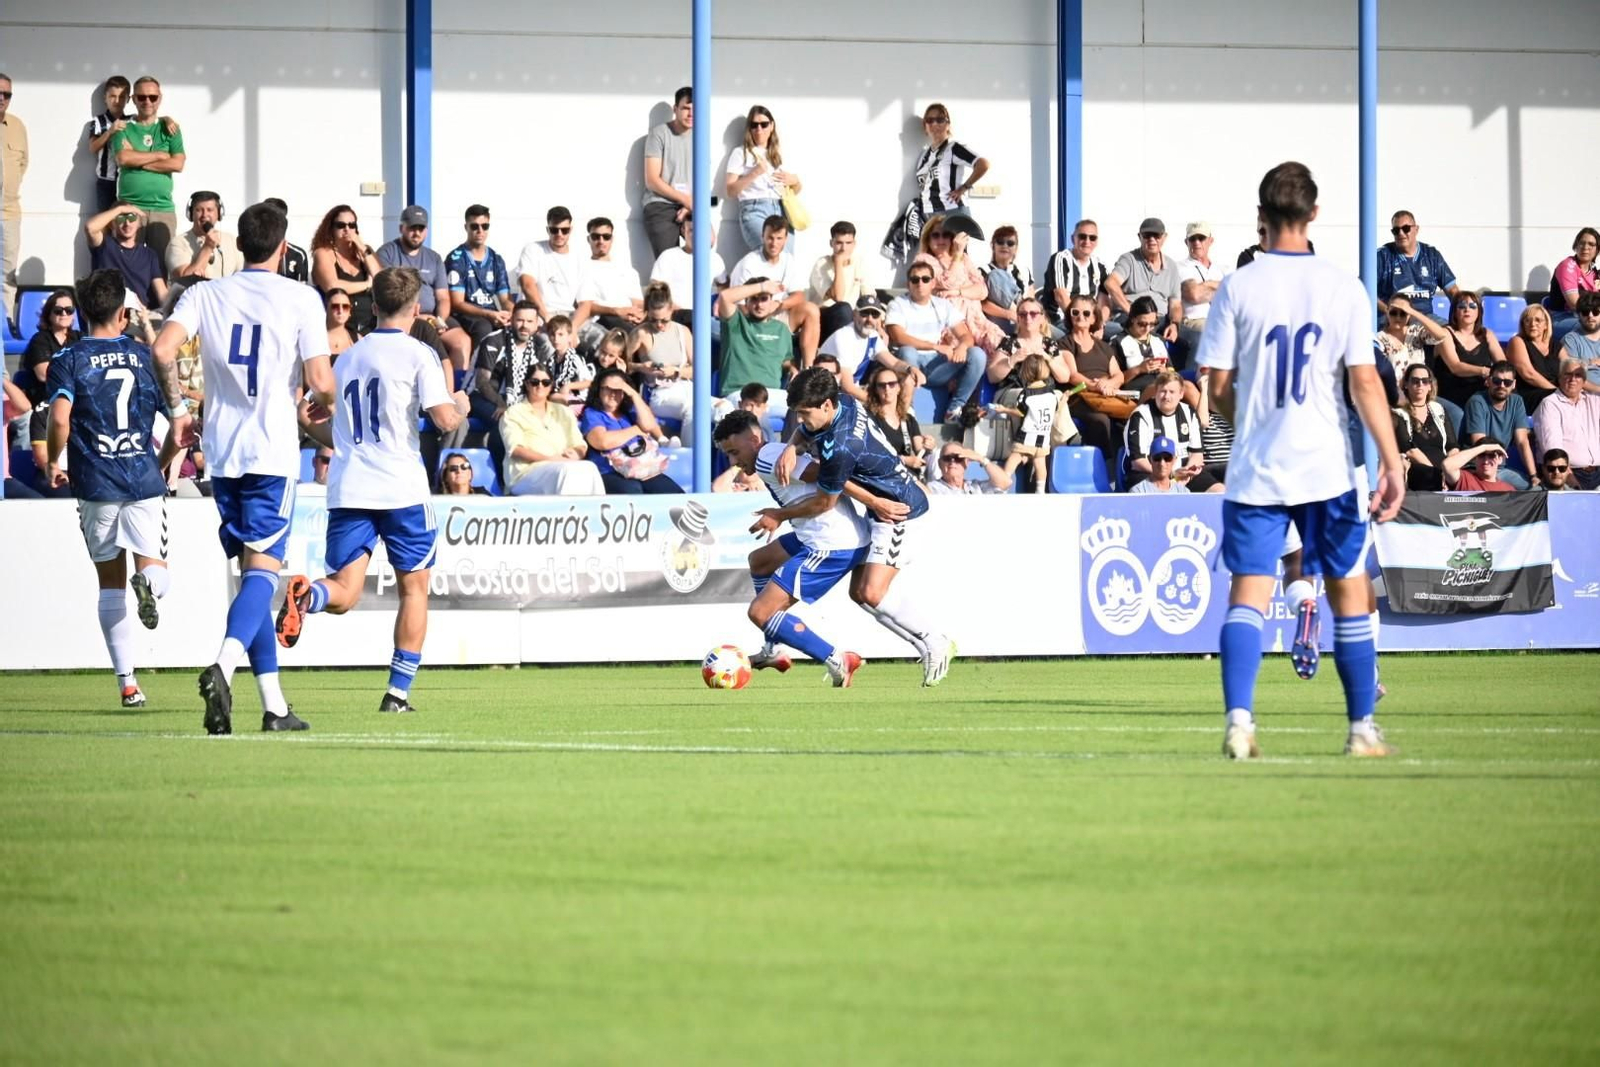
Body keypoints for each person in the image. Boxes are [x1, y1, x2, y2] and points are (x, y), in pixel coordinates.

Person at [1197, 160, 1405, 760]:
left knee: (1249, 593)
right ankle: (1361, 729)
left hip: (1257, 466)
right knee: (1348, 589)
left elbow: (1216, 387)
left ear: (1261, 217)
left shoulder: (1238, 286)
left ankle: (1240, 722)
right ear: (1314, 214)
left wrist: (1251, 422)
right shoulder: (1344, 286)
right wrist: (1391, 463)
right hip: (1327, 466)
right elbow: (1366, 384)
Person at [152, 200, 336, 736]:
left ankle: (274, 706)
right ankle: (222, 668)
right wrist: (330, 404)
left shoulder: (205, 292)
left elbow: (162, 349)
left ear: (240, 245)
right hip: (272, 451)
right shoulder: (301, 297)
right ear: (282, 247)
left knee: (249, 577)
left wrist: (181, 411)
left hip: (224, 454)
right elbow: (321, 380)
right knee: (264, 573)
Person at [273, 267, 464, 713]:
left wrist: (308, 423)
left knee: (344, 591)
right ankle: (397, 695)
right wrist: (461, 403)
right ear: (417, 310)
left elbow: (329, 431)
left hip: (350, 485)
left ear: (372, 306)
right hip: (401, 488)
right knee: (414, 590)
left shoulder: (347, 358)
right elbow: (444, 420)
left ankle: (309, 595)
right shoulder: (420, 354)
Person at [765, 367, 954, 686]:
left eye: (804, 413)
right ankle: (926, 645)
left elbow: (825, 502)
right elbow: (810, 437)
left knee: (871, 591)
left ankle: (934, 640)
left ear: (826, 406)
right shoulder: (842, 401)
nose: (800, 421)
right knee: (860, 593)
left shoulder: (841, 446)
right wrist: (790, 446)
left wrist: (780, 515)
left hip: (899, 511)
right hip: (881, 506)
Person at [42, 269, 175, 706]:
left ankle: (128, 683)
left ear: (81, 311)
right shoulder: (143, 357)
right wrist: (161, 464)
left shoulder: (69, 359)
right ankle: (150, 585)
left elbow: (59, 418)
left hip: (94, 481)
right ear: (123, 312)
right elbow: (177, 426)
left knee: (109, 585)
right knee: (156, 572)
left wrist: (55, 463)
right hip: (141, 477)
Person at [715, 409, 870, 685]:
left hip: (832, 544)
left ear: (753, 439)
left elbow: (829, 474)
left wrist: (875, 501)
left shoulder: (767, 457)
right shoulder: (771, 455)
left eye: (735, 452)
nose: (734, 461)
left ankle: (837, 659)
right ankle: (774, 649)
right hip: (820, 534)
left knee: (760, 612)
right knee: (760, 561)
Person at [885, 260, 985, 422]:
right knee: (907, 351)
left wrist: (961, 347)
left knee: (977, 354)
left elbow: (966, 336)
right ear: (908, 284)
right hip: (908, 365)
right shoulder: (897, 304)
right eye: (915, 279)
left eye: (925, 279)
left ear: (933, 283)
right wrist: (935, 346)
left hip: (937, 367)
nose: (920, 283)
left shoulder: (943, 305)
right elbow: (898, 337)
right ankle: (908, 409)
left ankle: (954, 409)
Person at [377, 205, 472, 373]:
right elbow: (388, 292)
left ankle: (456, 391)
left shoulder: (434, 258)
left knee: (462, 341)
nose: (417, 233)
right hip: (401, 315)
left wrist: (439, 320)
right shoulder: (387, 253)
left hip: (433, 316)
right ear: (402, 228)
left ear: (426, 230)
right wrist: (416, 315)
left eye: (421, 228)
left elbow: (443, 297)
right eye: (412, 228)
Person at [726, 213, 820, 367]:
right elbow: (739, 305)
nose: (774, 243)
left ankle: (808, 369)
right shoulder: (748, 263)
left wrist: (778, 305)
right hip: (753, 316)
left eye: (779, 238)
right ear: (762, 236)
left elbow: (799, 295)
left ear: (785, 239)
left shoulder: (788, 260)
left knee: (811, 309)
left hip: (778, 312)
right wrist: (762, 312)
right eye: (770, 237)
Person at [109, 76, 183, 263]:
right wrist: (159, 155)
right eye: (141, 97)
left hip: (162, 209)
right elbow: (122, 158)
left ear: (160, 98)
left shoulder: (170, 128)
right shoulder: (122, 127)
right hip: (129, 207)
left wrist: (136, 158)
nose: (147, 102)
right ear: (133, 99)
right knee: (125, 264)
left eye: (152, 97)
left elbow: (178, 164)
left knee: (161, 267)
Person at [499, 367, 604, 496]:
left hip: (562, 465)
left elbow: (580, 444)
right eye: (534, 382)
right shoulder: (514, 412)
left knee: (590, 468)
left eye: (545, 382)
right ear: (527, 384)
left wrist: (577, 454)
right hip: (526, 473)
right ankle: (566, 515)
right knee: (565, 471)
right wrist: (551, 459)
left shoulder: (563, 411)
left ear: (551, 385)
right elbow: (515, 450)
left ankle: (595, 514)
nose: (540, 386)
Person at [578, 368, 682, 495]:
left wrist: (634, 394)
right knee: (633, 491)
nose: (612, 393)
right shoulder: (592, 413)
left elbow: (649, 425)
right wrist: (636, 430)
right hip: (610, 471)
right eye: (607, 388)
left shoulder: (629, 411)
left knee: (673, 492)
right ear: (599, 390)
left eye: (618, 390)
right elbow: (602, 441)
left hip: (642, 468)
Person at [20, 289, 81, 488]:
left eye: (68, 310)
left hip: (76, 402)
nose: (64, 314)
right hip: (47, 404)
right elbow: (44, 374)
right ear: (49, 313)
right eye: (58, 310)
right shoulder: (40, 340)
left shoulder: (80, 339)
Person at [1060, 294, 1130, 469]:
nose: (1080, 317)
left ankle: (1127, 467)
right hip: (1080, 397)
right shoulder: (1064, 343)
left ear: (1094, 318)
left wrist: (1109, 384)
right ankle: (1102, 470)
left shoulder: (1104, 347)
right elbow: (1072, 375)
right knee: (1100, 421)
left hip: (1106, 396)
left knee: (1133, 417)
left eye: (1085, 313)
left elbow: (1118, 375)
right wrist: (1097, 386)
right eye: (1075, 312)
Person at [1124, 369, 1219, 492]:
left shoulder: (1189, 413)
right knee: (1162, 496)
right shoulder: (1140, 416)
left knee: (1219, 491)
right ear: (1155, 393)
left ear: (1181, 394)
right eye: (1162, 391)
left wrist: (1188, 472)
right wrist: (1172, 476)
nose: (1166, 396)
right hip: (1150, 474)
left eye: (1172, 392)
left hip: (1184, 474)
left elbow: (1197, 454)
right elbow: (1138, 462)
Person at [715, 276, 796, 416]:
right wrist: (762, 287)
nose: (759, 305)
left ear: (772, 300)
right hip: (741, 394)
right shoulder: (735, 322)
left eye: (764, 299)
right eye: (754, 299)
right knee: (755, 416)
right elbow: (725, 296)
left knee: (801, 411)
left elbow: (785, 362)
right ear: (746, 301)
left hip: (772, 395)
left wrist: (793, 369)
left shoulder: (782, 330)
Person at [921, 219, 1004, 356]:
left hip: (976, 321)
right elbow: (948, 282)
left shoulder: (964, 258)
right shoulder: (925, 260)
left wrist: (957, 292)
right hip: (951, 327)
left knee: (1000, 347)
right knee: (966, 354)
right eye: (936, 235)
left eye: (946, 235)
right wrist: (958, 255)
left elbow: (982, 290)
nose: (941, 239)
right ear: (928, 239)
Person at [726, 105, 801, 253]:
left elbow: (795, 190)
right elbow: (730, 190)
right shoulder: (741, 153)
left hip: (781, 209)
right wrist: (754, 173)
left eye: (764, 124)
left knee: (786, 257)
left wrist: (795, 181)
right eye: (754, 125)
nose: (759, 129)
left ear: (772, 126)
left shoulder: (778, 154)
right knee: (768, 252)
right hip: (754, 209)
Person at [989, 352, 1060, 493]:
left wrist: (1004, 409)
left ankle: (1002, 483)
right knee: (1040, 464)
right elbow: (1056, 408)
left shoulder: (1026, 393)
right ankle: (1040, 490)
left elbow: (1020, 412)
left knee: (1014, 457)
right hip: (1043, 437)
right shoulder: (1051, 393)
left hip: (1028, 435)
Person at [1105, 219, 1183, 345]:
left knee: (1196, 339)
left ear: (1164, 237)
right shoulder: (1129, 259)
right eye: (1147, 235)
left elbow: (1175, 305)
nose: (1151, 239)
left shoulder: (1172, 266)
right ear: (1139, 237)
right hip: (1129, 319)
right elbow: (1111, 283)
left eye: (1156, 235)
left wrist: (1174, 325)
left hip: (1160, 320)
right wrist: (1133, 312)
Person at [1462, 361, 1538, 488]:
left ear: (1513, 384)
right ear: (1488, 381)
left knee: (1536, 490)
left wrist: (1533, 476)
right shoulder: (1477, 402)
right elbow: (1480, 443)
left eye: (1507, 383)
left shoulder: (1517, 402)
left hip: (1500, 467)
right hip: (1477, 467)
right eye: (1497, 381)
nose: (1502, 385)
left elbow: (1522, 441)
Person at [446, 204, 513, 348]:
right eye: (474, 226)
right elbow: (457, 303)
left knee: (517, 326)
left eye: (485, 226)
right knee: (484, 328)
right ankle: (477, 370)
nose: (480, 231)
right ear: (466, 227)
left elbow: (505, 299)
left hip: (492, 314)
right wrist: (488, 314)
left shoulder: (496, 259)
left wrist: (513, 313)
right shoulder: (456, 258)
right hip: (467, 315)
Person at [83, 202, 168, 313]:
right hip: (108, 314)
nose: (127, 223)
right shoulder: (104, 245)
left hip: (139, 315)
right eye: (120, 219)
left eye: (131, 217)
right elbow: (90, 228)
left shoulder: (149, 254)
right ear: (111, 224)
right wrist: (120, 209)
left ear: (139, 223)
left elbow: (162, 293)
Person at [310, 205, 381, 333]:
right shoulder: (324, 253)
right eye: (341, 225)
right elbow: (332, 286)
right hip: (339, 327)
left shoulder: (365, 252)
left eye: (351, 225)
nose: (347, 229)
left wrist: (362, 247)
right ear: (331, 228)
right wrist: (367, 285)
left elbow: (381, 279)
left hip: (370, 326)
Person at [1531, 359, 1600, 490]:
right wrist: (1570, 478)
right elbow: (1552, 449)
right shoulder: (1550, 404)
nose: (1572, 379)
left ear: (1585, 381)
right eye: (1567, 374)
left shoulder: (1594, 401)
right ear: (1559, 378)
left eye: (1578, 375)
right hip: (1566, 473)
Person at [628, 286, 693, 422]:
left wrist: (676, 372)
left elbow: (698, 370)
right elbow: (621, 364)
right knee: (691, 409)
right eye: (653, 320)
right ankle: (688, 444)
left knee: (724, 406)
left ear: (671, 310)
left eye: (664, 320)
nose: (659, 325)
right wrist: (641, 367)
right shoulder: (641, 333)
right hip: (659, 393)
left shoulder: (683, 331)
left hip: (685, 387)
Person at [642, 87, 694, 257]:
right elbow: (652, 180)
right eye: (686, 108)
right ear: (675, 109)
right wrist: (685, 200)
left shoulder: (700, 136)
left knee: (706, 245)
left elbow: (703, 180)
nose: (690, 113)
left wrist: (690, 205)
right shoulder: (659, 134)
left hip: (690, 205)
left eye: (695, 109)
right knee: (668, 259)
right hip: (660, 204)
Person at [516, 205, 590, 324]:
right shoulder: (533, 249)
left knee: (607, 339)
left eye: (564, 230)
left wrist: (573, 328)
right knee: (551, 342)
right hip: (538, 315)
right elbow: (527, 284)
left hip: (569, 317)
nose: (559, 234)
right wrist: (546, 316)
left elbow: (586, 303)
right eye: (554, 230)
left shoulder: (579, 257)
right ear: (547, 230)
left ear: (570, 230)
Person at [1377, 210, 1459, 312]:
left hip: (1425, 318)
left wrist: (1459, 317)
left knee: (1448, 329)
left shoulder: (1431, 255)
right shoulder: (1382, 256)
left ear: (1416, 229)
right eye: (1396, 230)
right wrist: (1389, 311)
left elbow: (1452, 290)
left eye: (1406, 229)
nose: (1401, 233)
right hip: (1393, 319)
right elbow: (1366, 290)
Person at [1393, 364, 1459, 491]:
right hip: (1418, 469)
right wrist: (1437, 474)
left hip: (1444, 469)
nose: (1420, 385)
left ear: (1430, 386)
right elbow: (1409, 450)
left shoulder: (1439, 410)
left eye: (1425, 381)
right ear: (1406, 384)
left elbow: (1452, 446)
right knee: (1426, 475)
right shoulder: (1399, 413)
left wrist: (1449, 470)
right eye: (1415, 381)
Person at [1434, 291, 1502, 414]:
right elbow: (1455, 367)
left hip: (1481, 390)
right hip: (1453, 392)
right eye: (1461, 306)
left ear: (1479, 312)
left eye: (1472, 306)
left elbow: (1503, 364)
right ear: (1454, 312)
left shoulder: (1487, 334)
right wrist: (1484, 371)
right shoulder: (1445, 333)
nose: (1467, 309)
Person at [649, 214, 722, 328]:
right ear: (683, 230)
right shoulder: (669, 256)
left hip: (704, 316)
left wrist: (719, 300)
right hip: (677, 314)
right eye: (692, 230)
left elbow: (724, 284)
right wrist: (672, 308)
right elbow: (655, 290)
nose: (696, 235)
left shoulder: (714, 258)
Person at [818, 293, 889, 401]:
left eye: (874, 315)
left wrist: (909, 369)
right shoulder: (843, 336)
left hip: (849, 392)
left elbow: (893, 362)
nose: (869, 319)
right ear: (855, 314)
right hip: (827, 394)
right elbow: (848, 387)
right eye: (864, 314)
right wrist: (877, 404)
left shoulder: (873, 335)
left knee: (902, 376)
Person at [808, 221, 872, 339]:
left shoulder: (860, 262)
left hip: (852, 318)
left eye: (848, 243)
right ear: (831, 243)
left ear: (854, 244)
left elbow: (869, 297)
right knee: (843, 308)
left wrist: (879, 326)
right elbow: (838, 297)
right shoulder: (821, 264)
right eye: (839, 243)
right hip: (823, 320)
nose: (844, 248)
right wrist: (838, 263)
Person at [1041, 219, 1109, 330]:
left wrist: (1100, 325)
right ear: (1073, 239)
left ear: (1096, 242)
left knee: (1120, 333)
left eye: (1092, 238)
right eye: (1082, 236)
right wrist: (1080, 325)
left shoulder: (1100, 266)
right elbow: (1060, 296)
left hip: (1090, 322)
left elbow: (1105, 302)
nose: (1087, 241)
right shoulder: (1060, 259)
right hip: (1062, 320)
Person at [865, 366, 932, 475]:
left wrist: (928, 446)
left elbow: (920, 449)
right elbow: (871, 454)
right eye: (882, 385)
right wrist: (904, 460)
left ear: (899, 388)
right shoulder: (870, 418)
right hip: (883, 475)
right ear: (876, 390)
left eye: (891, 384)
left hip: (908, 475)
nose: (887, 388)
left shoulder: (908, 419)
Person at [167, 190, 240, 283]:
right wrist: (208, 247)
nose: (204, 215)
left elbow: (242, 275)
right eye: (199, 210)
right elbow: (184, 280)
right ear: (191, 214)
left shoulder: (231, 240)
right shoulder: (178, 243)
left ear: (219, 213)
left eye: (210, 210)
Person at [1, 72, 28, 318]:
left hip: (9, 212)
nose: (1, 98)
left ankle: (5, 321)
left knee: (7, 272)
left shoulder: (17, 125)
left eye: (6, 94)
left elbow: (22, 163)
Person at [979, 225, 1037, 337]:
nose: (1005, 246)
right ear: (993, 245)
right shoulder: (983, 271)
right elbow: (983, 304)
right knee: (995, 275)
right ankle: (1022, 317)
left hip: (1028, 320)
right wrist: (1009, 314)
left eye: (1010, 243)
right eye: (1000, 242)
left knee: (1060, 336)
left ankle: (1024, 318)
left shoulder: (1024, 271)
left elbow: (1032, 299)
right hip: (1001, 323)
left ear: (1016, 248)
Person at [1177, 222, 1227, 350]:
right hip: (1193, 321)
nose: (1196, 242)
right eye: (1192, 239)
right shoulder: (1181, 267)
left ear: (1210, 241)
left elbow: (1232, 294)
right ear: (1186, 242)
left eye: (1201, 238)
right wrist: (1219, 286)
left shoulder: (1220, 269)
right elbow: (1194, 295)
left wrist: (1205, 285)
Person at [1544, 227, 1599, 342]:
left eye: (1591, 244)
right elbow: (1574, 304)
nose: (1585, 247)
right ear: (1576, 245)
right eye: (1582, 243)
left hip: (1587, 317)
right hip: (1560, 318)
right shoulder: (1567, 266)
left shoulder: (1595, 274)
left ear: (1597, 250)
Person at [1508, 303, 1561, 411]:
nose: (1533, 324)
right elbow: (1528, 374)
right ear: (1523, 325)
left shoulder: (1555, 345)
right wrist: (1557, 391)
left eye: (1538, 320)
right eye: (1528, 320)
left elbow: (1570, 367)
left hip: (1556, 392)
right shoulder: (1517, 341)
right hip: (1531, 393)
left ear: (1546, 324)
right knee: (1555, 400)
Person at [1555, 291, 1600, 394]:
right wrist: (1590, 362)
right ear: (1578, 315)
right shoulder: (1571, 340)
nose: (1590, 316)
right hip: (1589, 396)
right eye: (1585, 312)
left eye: (1595, 312)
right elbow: (1572, 377)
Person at [927, 442, 1012, 495]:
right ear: (939, 463)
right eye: (947, 458)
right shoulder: (932, 488)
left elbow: (1005, 483)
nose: (952, 461)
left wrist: (981, 459)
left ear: (966, 463)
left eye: (958, 458)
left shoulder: (977, 487)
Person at [261, 197, 310, 284]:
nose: (272, 224)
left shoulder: (297, 255)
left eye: (277, 220)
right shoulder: (253, 252)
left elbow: (301, 290)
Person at [1442, 438, 1516, 491]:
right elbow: (1447, 465)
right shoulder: (1464, 479)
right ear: (1475, 458)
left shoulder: (1508, 490)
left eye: (1491, 456)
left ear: (1500, 459)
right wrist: (1483, 448)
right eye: (1481, 455)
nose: (1486, 461)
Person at [324, 288, 359, 360]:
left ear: (350, 311)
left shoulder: (358, 339)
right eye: (335, 307)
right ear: (326, 309)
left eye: (345, 307)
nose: (340, 311)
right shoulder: (315, 338)